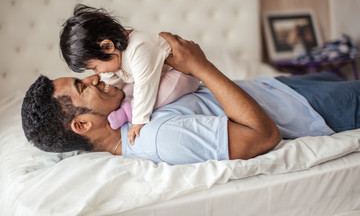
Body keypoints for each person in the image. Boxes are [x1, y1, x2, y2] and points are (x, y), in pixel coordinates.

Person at [21, 33, 360, 165]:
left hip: (278, 87)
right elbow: (264, 136)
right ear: (81, 124)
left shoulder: (126, 108)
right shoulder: (158, 137)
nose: (94, 77)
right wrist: (201, 66)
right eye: (83, 86)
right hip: (310, 108)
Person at [60, 4, 199, 145]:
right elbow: (113, 83)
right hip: (155, 76)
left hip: (182, 75)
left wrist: (138, 121)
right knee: (125, 90)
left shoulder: (139, 48)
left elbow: (145, 85)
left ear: (107, 46)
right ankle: (128, 105)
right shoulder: (115, 56)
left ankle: (128, 112)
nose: (97, 73)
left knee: (157, 91)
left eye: (94, 67)